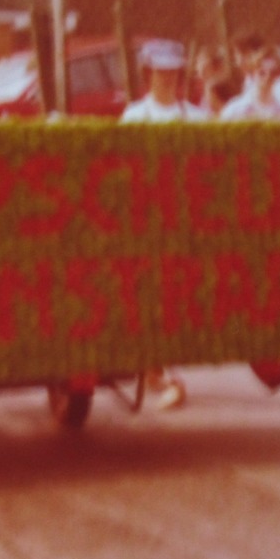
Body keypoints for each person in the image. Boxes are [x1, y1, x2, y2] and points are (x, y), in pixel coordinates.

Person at [119, 39, 201, 409]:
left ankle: (162, 368)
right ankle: (157, 369)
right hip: (146, 219)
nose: (167, 79)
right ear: (147, 74)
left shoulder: (197, 118)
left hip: (183, 219)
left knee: (176, 295)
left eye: (172, 72)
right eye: (159, 72)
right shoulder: (135, 116)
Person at [121, 39, 206, 123]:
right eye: (161, 72)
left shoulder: (195, 116)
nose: (167, 77)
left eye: (172, 71)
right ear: (149, 74)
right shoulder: (134, 116)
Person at [220, 44, 280, 122]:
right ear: (253, 74)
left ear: (278, 76)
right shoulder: (234, 111)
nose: (267, 78)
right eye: (262, 73)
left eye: (273, 73)